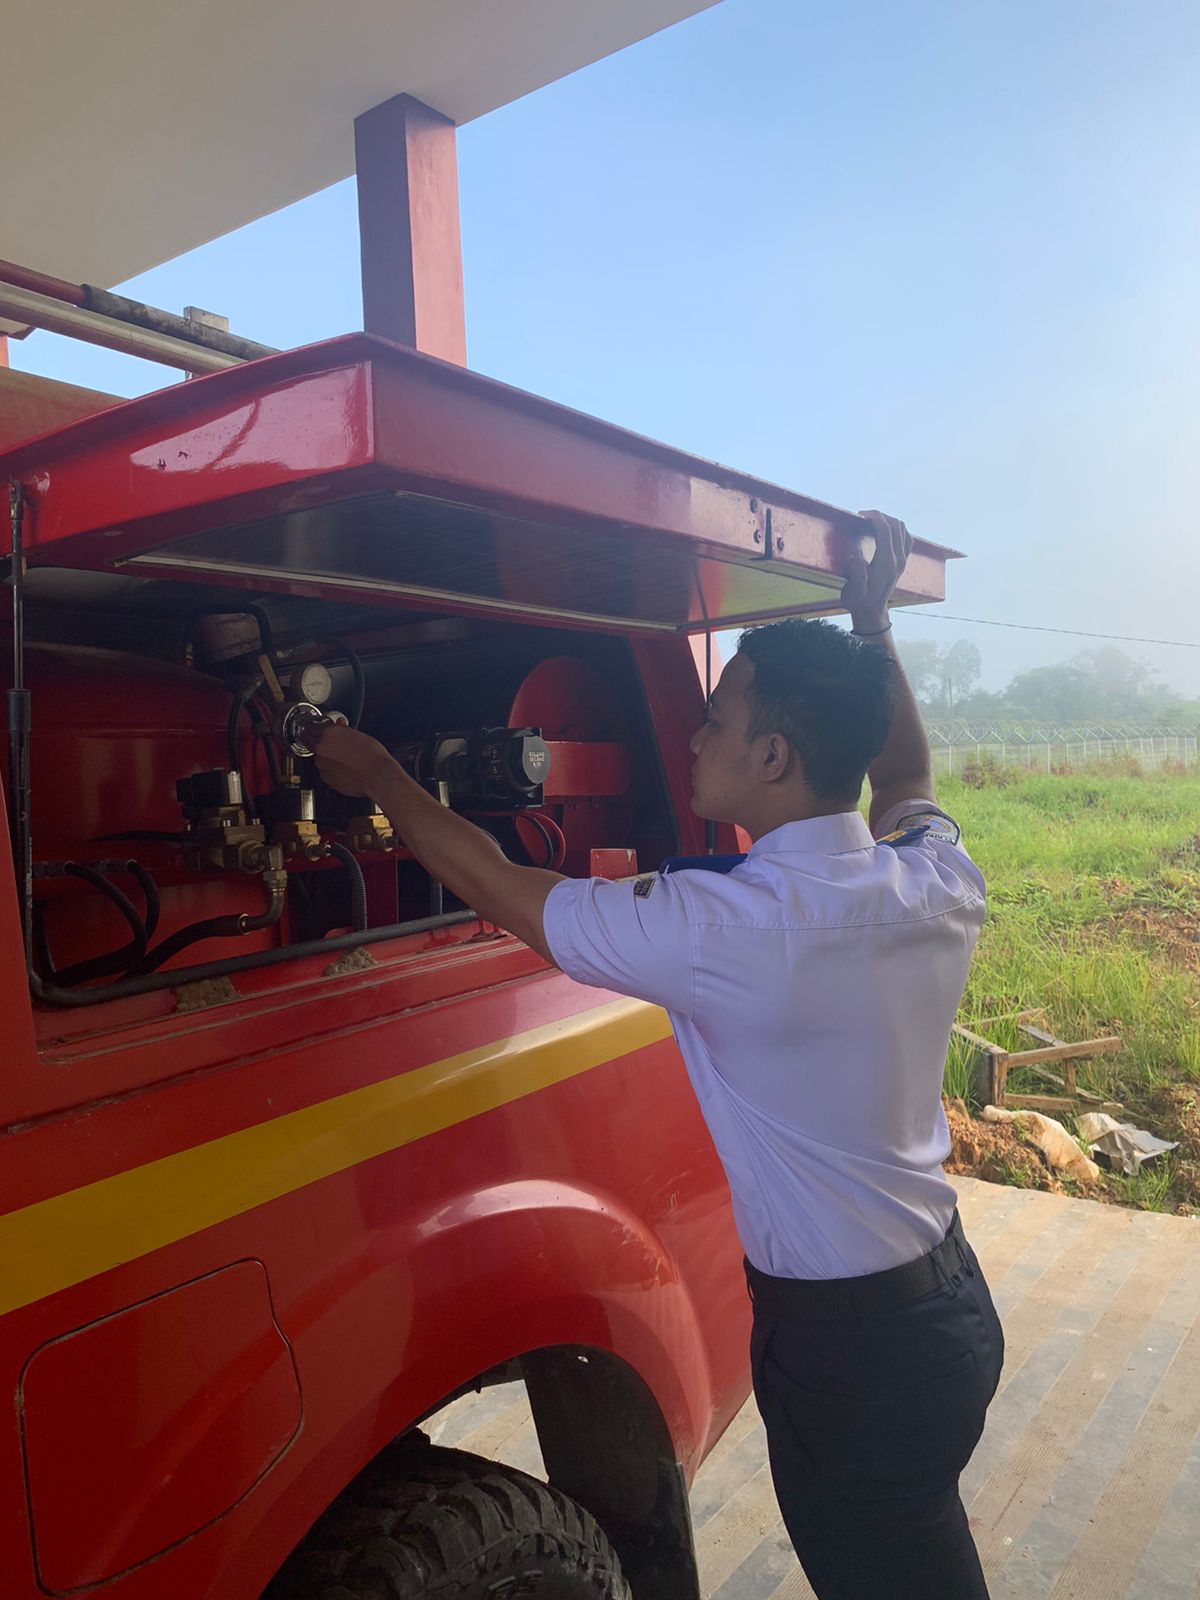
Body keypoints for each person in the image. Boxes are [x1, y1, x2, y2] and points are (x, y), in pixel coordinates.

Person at [310, 510, 1003, 1600]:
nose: (691, 737)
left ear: (772, 756)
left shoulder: (722, 930)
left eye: (716, 721)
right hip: (949, 1314)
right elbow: (905, 772)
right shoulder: (931, 879)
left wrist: (381, 777)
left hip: (851, 1361)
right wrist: (871, 624)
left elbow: (503, 885)